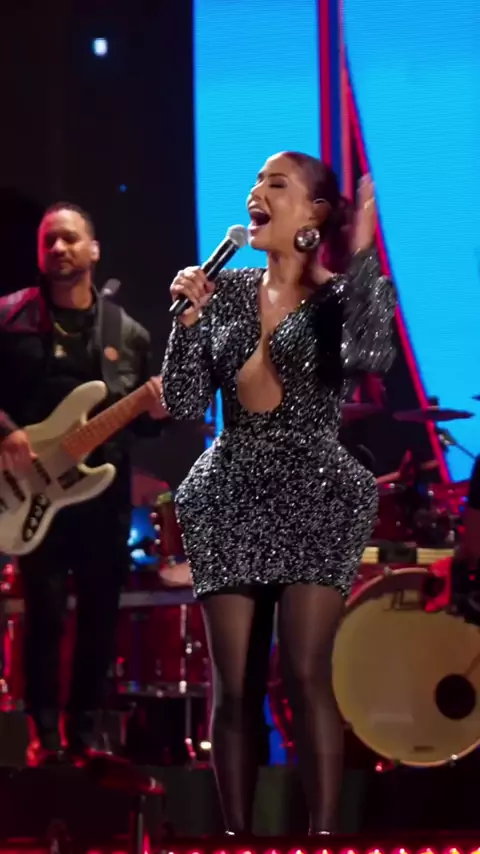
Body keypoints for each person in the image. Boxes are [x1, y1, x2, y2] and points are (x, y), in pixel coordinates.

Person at [161, 152, 396, 834]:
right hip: (228, 490)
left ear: (315, 213)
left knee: (303, 671)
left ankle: (322, 838)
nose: (255, 192)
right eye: (256, 182)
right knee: (233, 686)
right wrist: (186, 323)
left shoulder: (338, 298)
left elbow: (372, 353)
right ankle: (237, 839)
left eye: (276, 183)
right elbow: (183, 401)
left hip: (315, 490)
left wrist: (364, 253)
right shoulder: (225, 291)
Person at [0, 202, 169, 765]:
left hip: (101, 496)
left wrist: (157, 412)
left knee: (100, 613)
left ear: (94, 250)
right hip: (29, 489)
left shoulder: (128, 333)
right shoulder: (10, 317)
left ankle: (87, 732)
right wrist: (7, 432)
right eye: (48, 240)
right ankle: (43, 732)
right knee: (45, 614)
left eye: (69, 239)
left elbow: (141, 427)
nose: (58, 249)